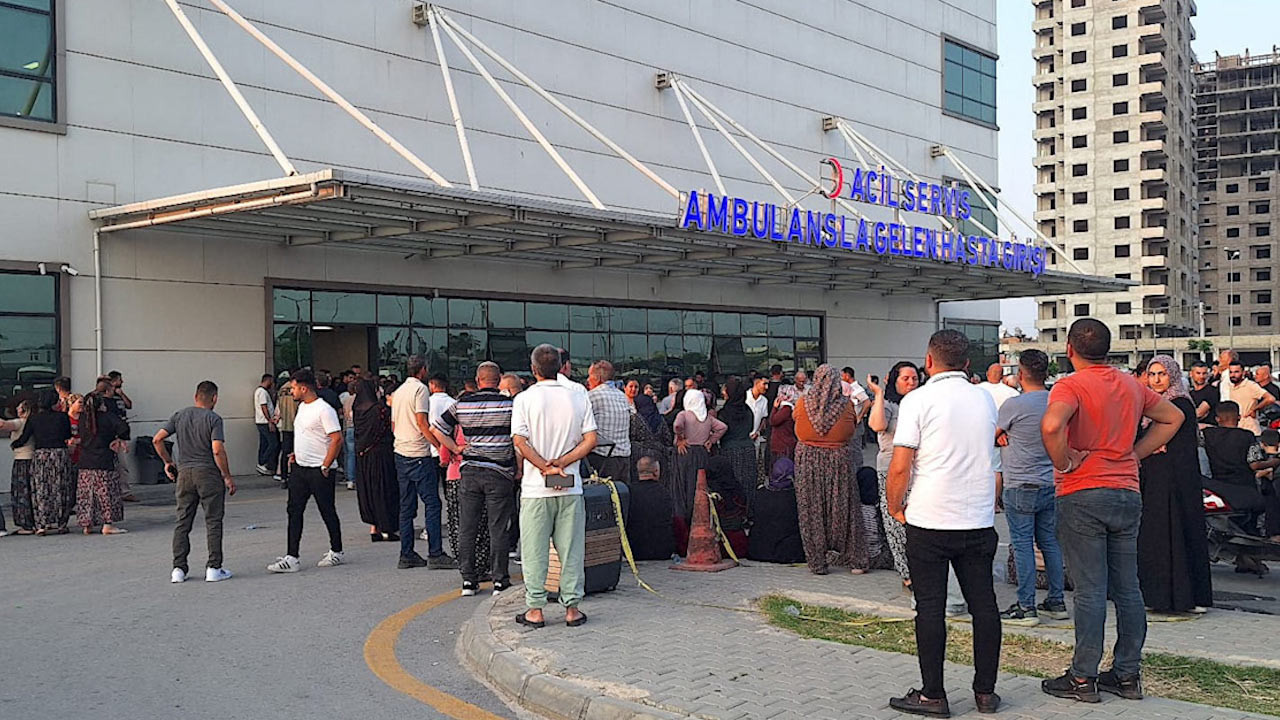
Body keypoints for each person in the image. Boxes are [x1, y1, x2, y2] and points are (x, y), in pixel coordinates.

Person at [1039, 318, 1183, 703]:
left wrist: (1064, 461)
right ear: (1108, 349)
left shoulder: (1070, 385)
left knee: (1090, 590)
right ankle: (1127, 674)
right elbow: (1174, 417)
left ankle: (1082, 677)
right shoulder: (1131, 384)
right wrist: (1135, 454)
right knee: (1127, 588)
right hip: (1126, 491)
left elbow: (1051, 425)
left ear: (1069, 349)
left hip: (1083, 491)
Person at [886, 330, 1002, 717]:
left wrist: (895, 505)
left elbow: (900, 465)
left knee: (931, 608)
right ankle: (985, 693)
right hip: (977, 518)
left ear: (928, 361)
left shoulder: (918, 400)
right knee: (984, 606)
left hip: (930, 517)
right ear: (967, 363)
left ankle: (933, 694)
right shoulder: (984, 398)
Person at [511, 344, 598, 629]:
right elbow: (590, 439)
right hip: (570, 486)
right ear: (561, 366)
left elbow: (520, 441)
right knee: (571, 550)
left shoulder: (524, 399)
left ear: (533, 369)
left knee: (535, 551)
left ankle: (535, 610)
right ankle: (572, 608)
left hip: (536, 489)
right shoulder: (578, 394)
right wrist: (563, 462)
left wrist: (544, 466)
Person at [431, 362, 517, 597]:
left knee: (467, 527)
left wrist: (455, 448)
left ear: (478, 381)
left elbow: (437, 428)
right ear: (498, 381)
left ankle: (468, 580)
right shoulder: (510, 404)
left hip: (469, 471)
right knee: (498, 528)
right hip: (500, 473)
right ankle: (500, 580)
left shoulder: (462, 404)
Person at [994, 350, 1067, 627]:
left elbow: (991, 434)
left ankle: (1026, 606)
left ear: (1021, 374)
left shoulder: (1014, 405)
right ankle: (1056, 601)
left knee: (1023, 544)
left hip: (1020, 483)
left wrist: (1002, 436)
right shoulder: (1057, 402)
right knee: (1050, 542)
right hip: (1050, 481)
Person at [1136, 355, 1213, 613]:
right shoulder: (1152, 405)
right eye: (1152, 374)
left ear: (1173, 376)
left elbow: (1172, 444)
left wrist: (1151, 445)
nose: (1157, 379)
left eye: (1162, 374)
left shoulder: (1180, 403)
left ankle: (1186, 598)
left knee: (1180, 534)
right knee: (1158, 537)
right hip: (1157, 481)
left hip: (1176, 482)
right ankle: (1159, 597)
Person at [154, 380, 236, 583]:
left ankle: (178, 569)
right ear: (214, 398)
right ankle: (214, 568)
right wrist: (227, 475)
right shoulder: (214, 419)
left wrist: (168, 462)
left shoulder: (179, 415)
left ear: (195, 396)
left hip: (184, 473)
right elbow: (217, 449)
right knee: (213, 521)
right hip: (208, 473)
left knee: (182, 522)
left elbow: (157, 439)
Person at [267, 369, 345, 573]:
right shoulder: (301, 407)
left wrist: (326, 464)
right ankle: (292, 557)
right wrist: (297, 453)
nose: (291, 391)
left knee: (326, 510)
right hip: (300, 468)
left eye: (293, 387)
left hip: (319, 470)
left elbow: (337, 438)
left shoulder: (324, 409)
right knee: (294, 511)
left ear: (303, 388)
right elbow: (306, 435)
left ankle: (336, 550)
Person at [793, 364, 868, 576]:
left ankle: (817, 562)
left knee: (811, 510)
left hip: (807, 460)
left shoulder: (802, 402)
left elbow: (796, 422)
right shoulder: (845, 405)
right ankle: (856, 560)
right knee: (846, 507)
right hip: (839, 460)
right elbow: (851, 430)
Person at [391, 357, 455, 570]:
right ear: (423, 370)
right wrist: (438, 445)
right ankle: (435, 552)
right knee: (432, 503)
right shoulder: (420, 390)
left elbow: (393, 424)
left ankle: (406, 553)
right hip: (418, 452)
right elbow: (422, 422)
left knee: (406, 506)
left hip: (401, 450)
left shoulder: (399, 392)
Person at [867, 362, 920, 590]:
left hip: (918, 470)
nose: (911, 383)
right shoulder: (889, 405)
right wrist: (878, 394)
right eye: (905, 378)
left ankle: (921, 569)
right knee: (895, 523)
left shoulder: (921, 403)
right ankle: (907, 574)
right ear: (894, 380)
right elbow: (876, 425)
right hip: (890, 469)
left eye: (914, 378)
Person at [12, 389, 73, 535]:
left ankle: (42, 524)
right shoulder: (62, 417)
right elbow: (67, 435)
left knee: (41, 489)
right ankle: (61, 523)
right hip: (59, 454)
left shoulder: (34, 418)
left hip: (41, 455)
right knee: (61, 488)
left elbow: (24, 437)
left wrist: (15, 444)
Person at [350, 377, 400, 543]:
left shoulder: (357, 409)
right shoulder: (379, 410)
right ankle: (387, 527)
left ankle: (374, 527)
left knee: (369, 492)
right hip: (381, 455)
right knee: (383, 490)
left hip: (363, 456)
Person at [75, 392, 130, 535]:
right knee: (105, 493)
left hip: (85, 461)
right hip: (104, 459)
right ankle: (107, 524)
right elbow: (124, 427)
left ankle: (87, 524)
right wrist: (118, 438)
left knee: (87, 495)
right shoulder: (108, 417)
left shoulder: (83, 418)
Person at [670, 387, 727, 522]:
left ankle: (683, 517)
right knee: (698, 485)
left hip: (685, 452)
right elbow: (722, 427)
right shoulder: (707, 417)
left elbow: (677, 426)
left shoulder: (684, 414)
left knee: (682, 485)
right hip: (702, 453)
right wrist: (711, 441)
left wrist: (680, 438)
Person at [585, 361, 631, 483]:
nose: (588, 380)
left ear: (598, 378)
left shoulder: (591, 396)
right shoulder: (623, 396)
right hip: (624, 457)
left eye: (590, 376)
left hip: (602, 458)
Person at [717, 377, 760, 507]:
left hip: (730, 450)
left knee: (733, 483)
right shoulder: (748, 410)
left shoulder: (724, 413)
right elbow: (750, 428)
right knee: (748, 482)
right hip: (748, 449)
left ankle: (735, 511)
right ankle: (749, 510)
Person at [626, 456, 676, 561]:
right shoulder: (664, 492)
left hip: (635, 551)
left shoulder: (629, 492)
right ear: (656, 472)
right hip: (662, 551)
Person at [1, 400, 36, 534]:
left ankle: (25, 523)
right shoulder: (35, 422)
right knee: (32, 491)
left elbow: (3, 424)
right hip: (33, 458)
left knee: (22, 492)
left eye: (19, 407)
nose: (16, 409)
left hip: (22, 458)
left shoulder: (20, 422)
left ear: (24, 410)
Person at [106, 370, 138, 502]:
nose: (122, 382)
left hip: (122, 433)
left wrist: (121, 394)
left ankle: (125, 491)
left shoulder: (119, 396)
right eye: (120, 379)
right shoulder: (107, 400)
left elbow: (129, 405)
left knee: (123, 464)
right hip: (112, 434)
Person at [1224, 360, 1275, 435]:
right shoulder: (1229, 386)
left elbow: (1270, 398)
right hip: (1236, 428)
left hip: (1250, 429)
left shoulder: (1251, 385)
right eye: (1231, 372)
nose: (1233, 375)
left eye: (1236, 372)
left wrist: (1254, 409)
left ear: (1243, 372)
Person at [254, 374, 279, 477]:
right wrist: (270, 421)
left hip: (261, 421)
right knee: (273, 443)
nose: (272, 384)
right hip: (264, 422)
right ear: (268, 380)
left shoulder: (259, 391)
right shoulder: (262, 392)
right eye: (271, 381)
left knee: (264, 443)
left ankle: (262, 463)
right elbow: (264, 407)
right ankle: (263, 462)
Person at [276, 374, 296, 487]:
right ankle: (294, 476)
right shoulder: (296, 388)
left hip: (285, 424)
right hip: (296, 424)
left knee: (285, 452)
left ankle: (284, 477)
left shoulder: (282, 389)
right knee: (296, 452)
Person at [768, 384, 798, 461]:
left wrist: (774, 408)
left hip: (782, 446)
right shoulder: (790, 408)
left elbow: (773, 421)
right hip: (784, 445)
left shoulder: (786, 409)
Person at [1189, 360, 1218, 425]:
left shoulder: (1212, 391)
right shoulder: (1189, 393)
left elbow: (1199, 413)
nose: (1201, 376)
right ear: (1191, 374)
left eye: (1204, 373)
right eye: (1198, 373)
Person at [340, 379, 357, 488]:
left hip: (347, 427)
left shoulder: (346, 400)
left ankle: (349, 477)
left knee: (348, 454)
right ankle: (354, 477)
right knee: (354, 454)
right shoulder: (358, 399)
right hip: (355, 426)